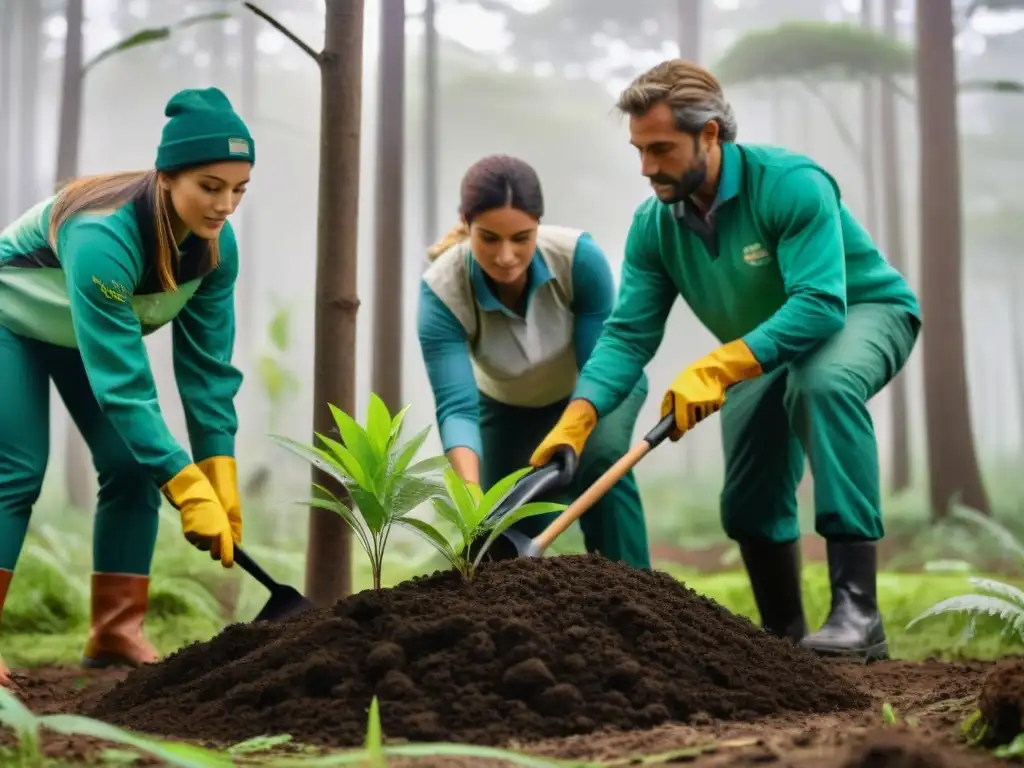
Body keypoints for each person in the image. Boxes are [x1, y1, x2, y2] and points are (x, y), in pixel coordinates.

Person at [529, 60, 921, 662]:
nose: (646, 167)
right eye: (639, 150)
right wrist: (578, 417)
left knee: (820, 384)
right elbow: (628, 336)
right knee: (747, 501)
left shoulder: (791, 184)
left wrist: (715, 369)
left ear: (709, 134)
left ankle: (857, 611)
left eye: (661, 148)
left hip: (860, 311)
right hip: (763, 348)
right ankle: (786, 644)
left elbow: (820, 305)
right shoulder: (655, 226)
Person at [0, 87, 253, 686]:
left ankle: (116, 631)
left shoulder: (216, 250)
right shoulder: (101, 236)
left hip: (83, 338)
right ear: (167, 177)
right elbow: (123, 383)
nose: (225, 205)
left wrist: (218, 469)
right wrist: (185, 485)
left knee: (134, 464)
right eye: (210, 186)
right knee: (17, 469)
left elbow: (207, 371)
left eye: (239, 189)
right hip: (12, 323)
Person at [417, 154, 651, 570]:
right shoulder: (442, 292)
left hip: (598, 388)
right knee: (498, 530)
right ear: (467, 224)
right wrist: (470, 494)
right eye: (489, 239)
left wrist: (573, 430)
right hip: (505, 408)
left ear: (538, 226)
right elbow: (457, 407)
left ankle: (635, 589)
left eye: (521, 238)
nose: (506, 256)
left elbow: (599, 365)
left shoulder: (578, 259)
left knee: (600, 463)